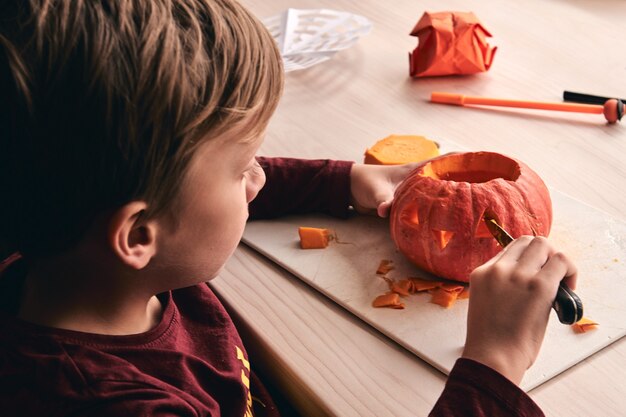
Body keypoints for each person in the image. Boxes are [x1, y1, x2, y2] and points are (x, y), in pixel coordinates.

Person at [0, 0, 576, 416]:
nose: (260, 178)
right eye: (242, 166)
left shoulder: (65, 236)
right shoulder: (117, 403)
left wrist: (344, 181)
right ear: (138, 235)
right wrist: (495, 363)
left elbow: (184, 186)